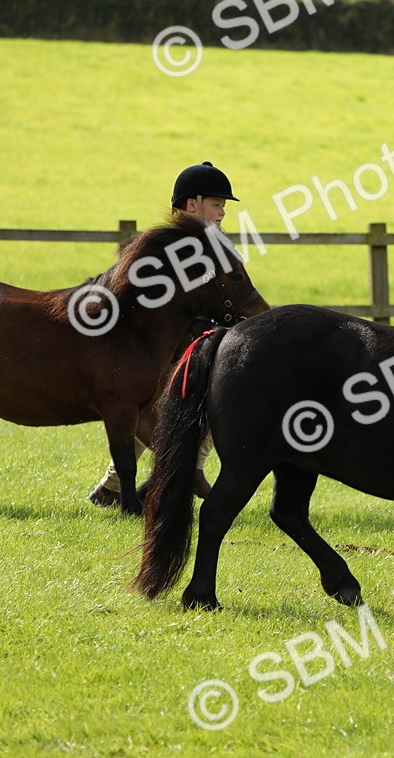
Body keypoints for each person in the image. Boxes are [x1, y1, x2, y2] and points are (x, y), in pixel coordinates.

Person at [87, 161, 238, 507]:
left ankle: (114, 487)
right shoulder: (163, 248)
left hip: (191, 346)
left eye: (224, 206)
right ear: (191, 205)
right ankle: (171, 475)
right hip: (157, 352)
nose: (222, 213)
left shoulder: (214, 244)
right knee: (152, 409)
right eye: (217, 204)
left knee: (159, 411)